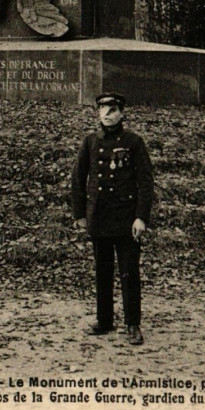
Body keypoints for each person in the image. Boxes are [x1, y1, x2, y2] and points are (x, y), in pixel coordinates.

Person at [71, 92, 155, 345]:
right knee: (103, 271)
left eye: (112, 110)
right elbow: (78, 178)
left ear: (122, 113)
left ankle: (132, 324)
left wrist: (141, 217)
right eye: (103, 110)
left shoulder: (134, 142)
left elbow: (145, 183)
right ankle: (104, 320)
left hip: (126, 218)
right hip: (99, 217)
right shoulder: (90, 142)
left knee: (129, 272)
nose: (107, 115)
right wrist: (80, 214)